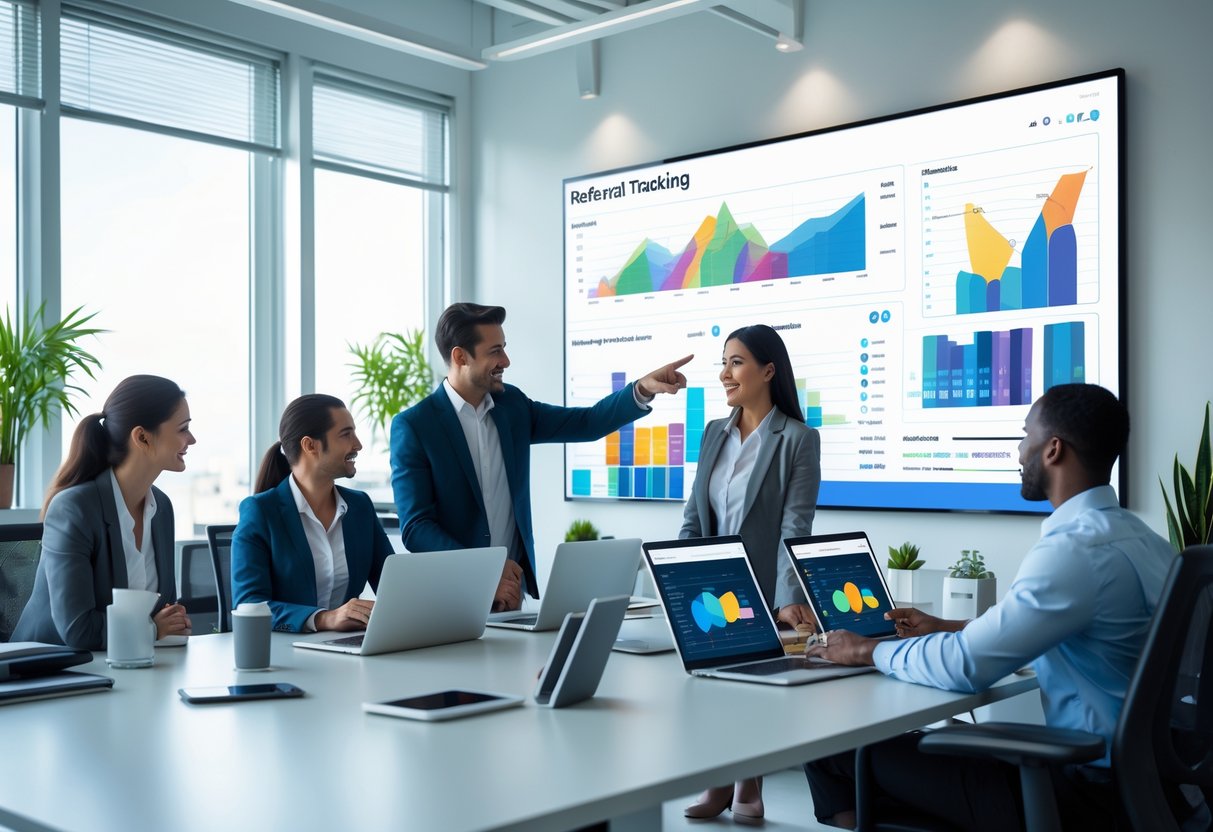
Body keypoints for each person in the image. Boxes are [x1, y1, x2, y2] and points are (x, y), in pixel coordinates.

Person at [803, 384, 1176, 830]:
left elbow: (966, 667)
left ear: (1053, 449)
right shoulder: (1148, 544)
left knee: (833, 747)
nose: (1019, 451)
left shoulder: (1074, 550)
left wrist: (863, 650)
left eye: (1024, 436)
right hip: (1157, 792)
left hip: (1086, 797)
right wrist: (953, 625)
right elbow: (1067, 628)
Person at [391, 302, 691, 611]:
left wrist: (641, 389)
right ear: (460, 356)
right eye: (495, 351)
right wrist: (483, 570)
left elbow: (586, 423)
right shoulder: (415, 426)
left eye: (504, 348)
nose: (505, 360)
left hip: (509, 595)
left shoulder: (513, 407)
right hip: (450, 595)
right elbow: (416, 528)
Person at [679, 324, 821, 823]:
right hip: (707, 584)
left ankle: (748, 781)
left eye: (736, 362)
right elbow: (695, 514)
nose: (724, 373)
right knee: (713, 686)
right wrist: (675, 574)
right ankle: (718, 780)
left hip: (760, 584)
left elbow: (794, 524)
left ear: (767, 370)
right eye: (724, 362)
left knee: (751, 686)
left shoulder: (798, 439)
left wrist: (787, 595)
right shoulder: (713, 433)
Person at [12, 375, 194, 649]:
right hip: (50, 674)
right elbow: (78, 630)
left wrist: (171, 622)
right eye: (182, 429)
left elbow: (165, 611)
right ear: (142, 437)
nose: (191, 439)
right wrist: (153, 629)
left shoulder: (162, 508)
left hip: (125, 667)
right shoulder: (74, 508)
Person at [231, 394, 393, 633]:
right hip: (284, 655)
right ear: (310, 445)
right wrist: (325, 619)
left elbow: (393, 586)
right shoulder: (261, 512)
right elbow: (250, 605)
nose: (358, 444)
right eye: (345, 434)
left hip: (348, 648)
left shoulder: (360, 507)